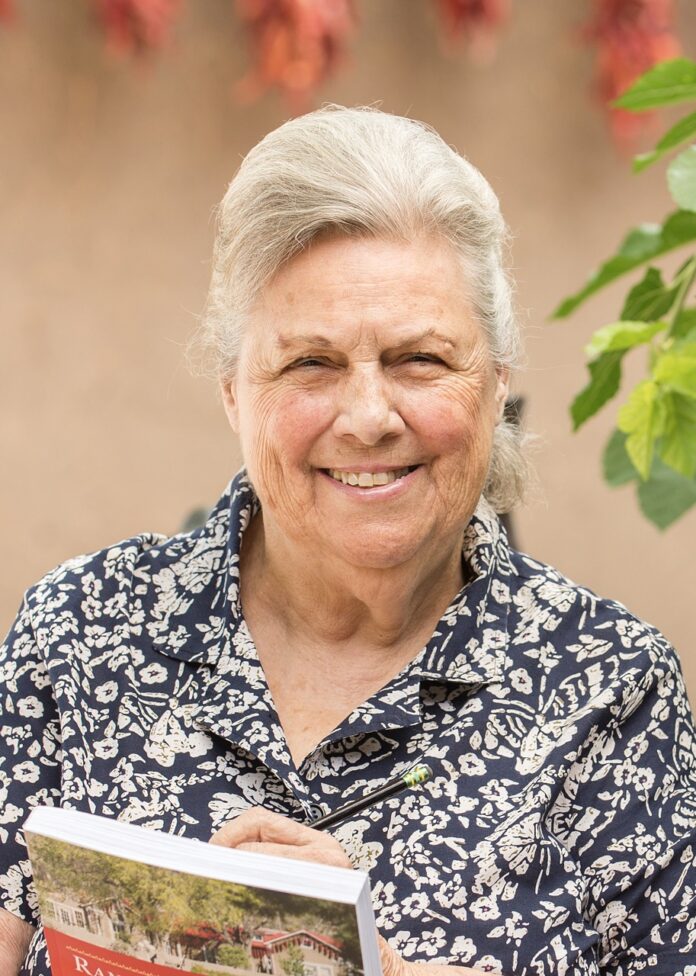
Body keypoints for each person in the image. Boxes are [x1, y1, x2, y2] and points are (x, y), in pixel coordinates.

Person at [1, 106, 695, 976]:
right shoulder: (79, 632)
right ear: (232, 394)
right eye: (311, 364)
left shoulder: (610, 690)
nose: (369, 418)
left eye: (420, 359)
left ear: (498, 382)